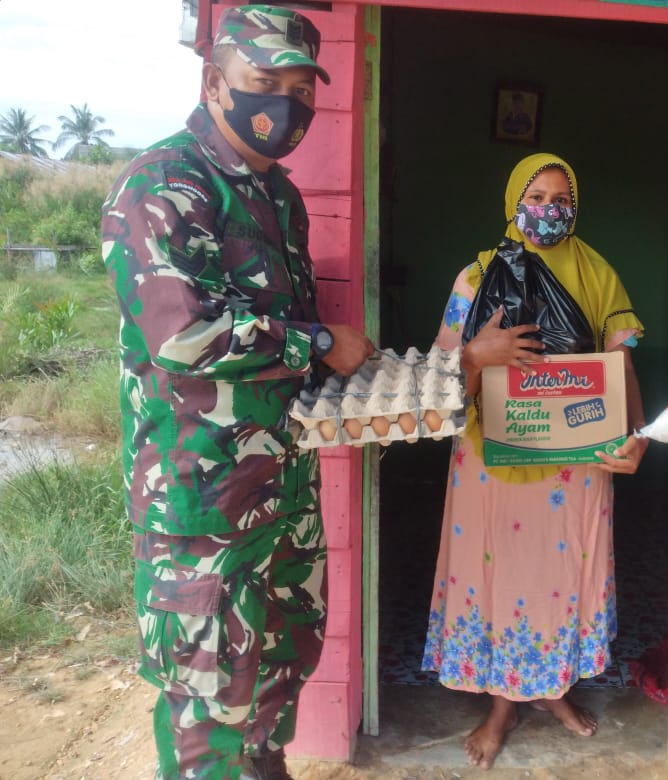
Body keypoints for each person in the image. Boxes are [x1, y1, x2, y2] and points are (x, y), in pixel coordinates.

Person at [101, 6, 373, 779]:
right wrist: (318, 342)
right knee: (208, 692)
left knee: (283, 660)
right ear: (216, 82)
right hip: (201, 501)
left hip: (280, 486)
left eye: (300, 90)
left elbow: (277, 331)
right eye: (264, 83)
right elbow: (181, 335)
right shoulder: (163, 182)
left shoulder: (276, 197)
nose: (284, 106)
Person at [421, 153, 649, 769]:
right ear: (513, 202)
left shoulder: (597, 274)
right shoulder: (477, 278)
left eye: (560, 199)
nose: (549, 211)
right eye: (537, 197)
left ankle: (551, 690)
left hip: (573, 458)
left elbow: (621, 361)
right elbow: (444, 371)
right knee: (498, 574)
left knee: (559, 574)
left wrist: (638, 431)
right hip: (491, 455)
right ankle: (502, 705)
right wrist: (481, 352)